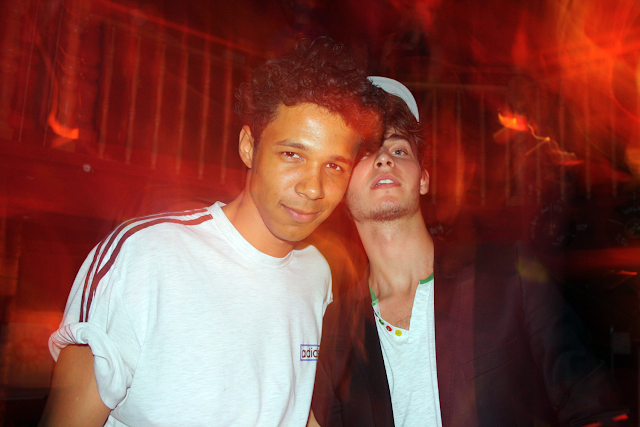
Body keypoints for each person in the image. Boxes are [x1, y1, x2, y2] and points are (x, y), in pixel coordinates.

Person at [38, 38, 386, 427]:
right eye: (293, 155)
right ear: (249, 146)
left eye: (334, 166)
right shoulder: (145, 254)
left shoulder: (317, 273)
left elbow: (295, 404)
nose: (313, 188)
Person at [309, 77, 629, 427]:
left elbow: (595, 405)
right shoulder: (335, 329)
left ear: (423, 178)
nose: (384, 159)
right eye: (366, 152)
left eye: (399, 150)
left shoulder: (509, 275)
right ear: (341, 187)